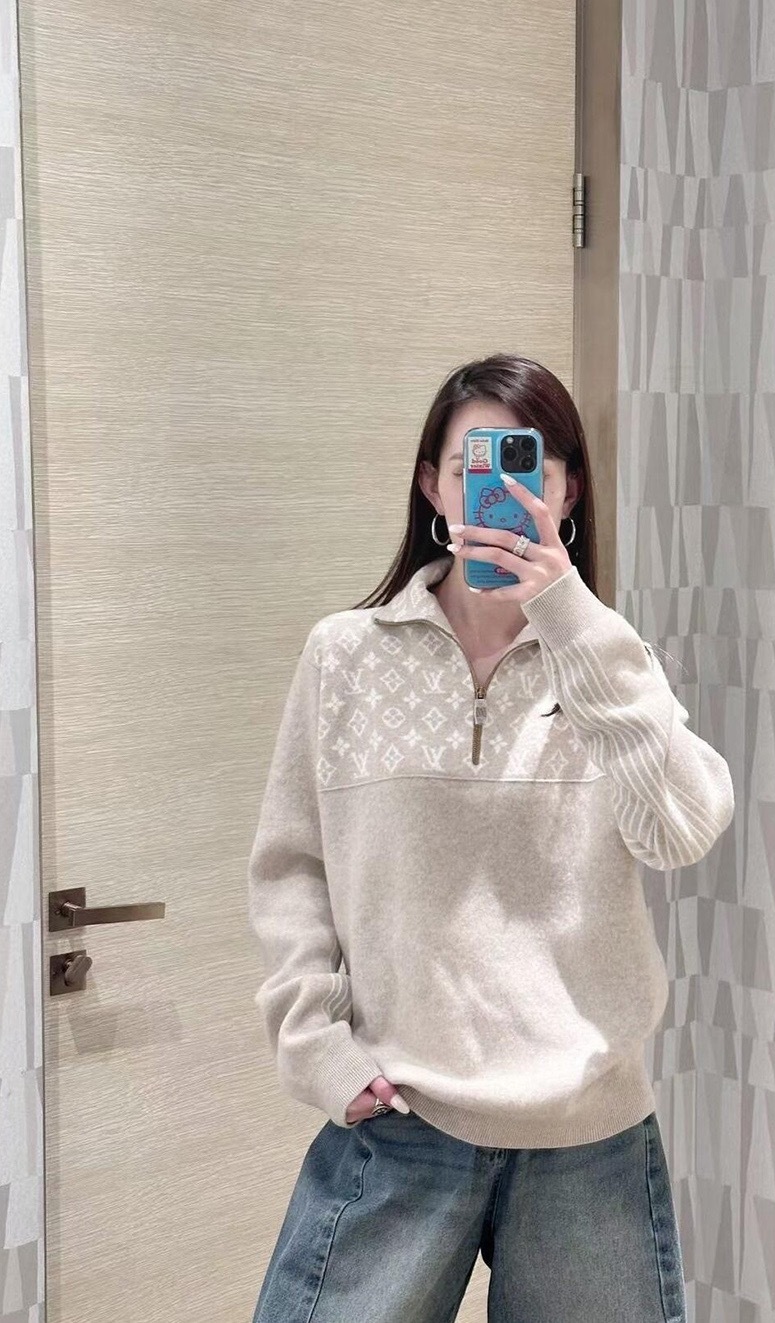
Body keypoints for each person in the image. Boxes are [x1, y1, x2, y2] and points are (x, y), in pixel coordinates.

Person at [247, 353, 735, 1322]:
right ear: (431, 484)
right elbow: (292, 866)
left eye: (526, 467)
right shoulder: (345, 655)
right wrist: (318, 1048)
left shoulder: (609, 663)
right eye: (474, 464)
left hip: (587, 1134)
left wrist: (570, 617)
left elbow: (680, 828)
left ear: (566, 491)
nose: (498, 491)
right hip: (400, 1118)